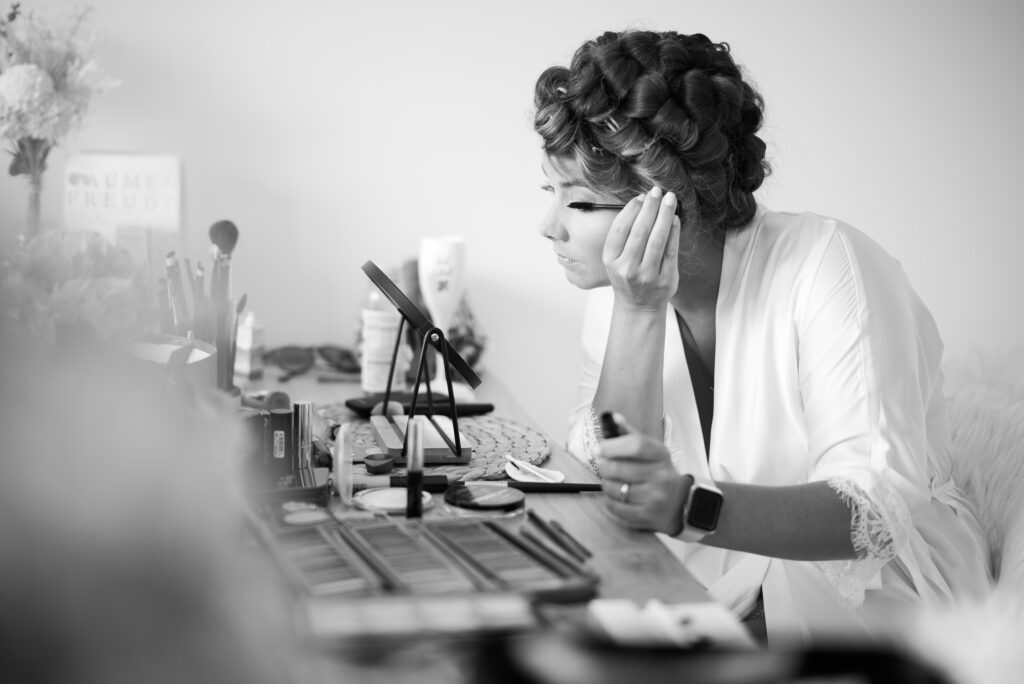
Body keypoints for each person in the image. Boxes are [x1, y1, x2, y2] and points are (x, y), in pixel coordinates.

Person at [533, 29, 991, 645]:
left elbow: (871, 514)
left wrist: (687, 507)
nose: (547, 227)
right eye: (549, 195)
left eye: (580, 204)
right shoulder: (623, 290)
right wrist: (638, 312)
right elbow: (618, 481)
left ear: (673, 202)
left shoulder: (831, 265)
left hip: (870, 594)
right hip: (711, 579)